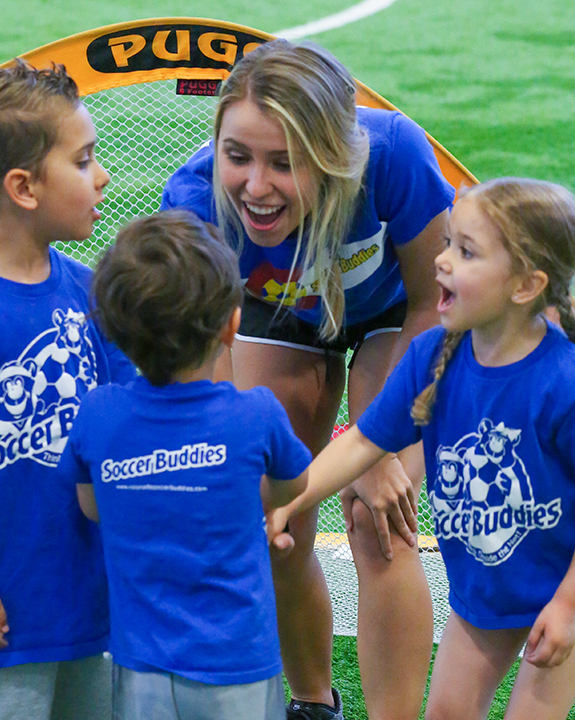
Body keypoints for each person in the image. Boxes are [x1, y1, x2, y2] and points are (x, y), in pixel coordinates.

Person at [267, 178, 575, 720]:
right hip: (485, 587)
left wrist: (565, 605)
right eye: (447, 243)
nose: (440, 261)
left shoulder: (574, 385)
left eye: (465, 252)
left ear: (525, 285)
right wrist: (295, 499)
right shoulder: (432, 357)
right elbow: (366, 441)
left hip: (571, 592)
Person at [161, 39, 455, 720]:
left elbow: (431, 302)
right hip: (273, 314)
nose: (255, 187)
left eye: (284, 163)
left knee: (379, 509)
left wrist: (374, 445)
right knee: (274, 513)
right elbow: (206, 366)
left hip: (394, 316)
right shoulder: (193, 205)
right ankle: (314, 705)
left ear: (334, 156)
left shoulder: (395, 155)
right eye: (238, 156)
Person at [57, 210, 311, 720]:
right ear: (232, 324)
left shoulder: (97, 415)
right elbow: (294, 485)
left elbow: (92, 506)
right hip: (237, 662)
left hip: (140, 664)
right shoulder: (256, 413)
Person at [0, 60, 136, 719]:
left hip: (90, 609)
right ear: (23, 187)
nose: (102, 175)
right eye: (83, 161)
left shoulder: (92, 293)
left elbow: (128, 435)